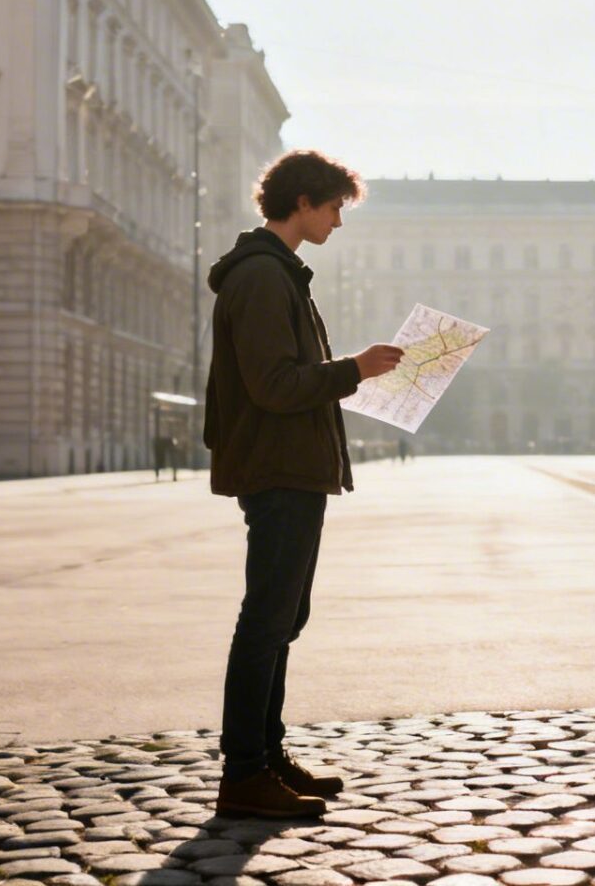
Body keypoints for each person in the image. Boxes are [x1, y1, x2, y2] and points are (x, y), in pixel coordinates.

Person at [204, 150, 403, 820]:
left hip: (291, 465)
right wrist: (355, 368)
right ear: (304, 202)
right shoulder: (263, 277)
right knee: (265, 620)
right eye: (336, 207)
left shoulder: (279, 274)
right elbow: (275, 384)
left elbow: (285, 377)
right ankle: (244, 772)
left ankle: (267, 753)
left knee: (285, 617)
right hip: (278, 467)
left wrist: (350, 370)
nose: (339, 222)